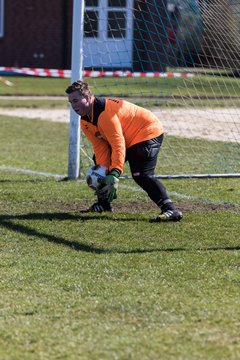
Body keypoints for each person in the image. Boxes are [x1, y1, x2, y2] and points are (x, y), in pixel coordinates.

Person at [66, 80, 182, 222]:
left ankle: (170, 209)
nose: (73, 106)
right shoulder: (85, 121)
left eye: (76, 100)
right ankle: (104, 204)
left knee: (141, 174)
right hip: (127, 137)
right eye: (71, 102)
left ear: (88, 97)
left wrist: (114, 173)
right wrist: (104, 171)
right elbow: (100, 148)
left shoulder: (105, 113)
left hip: (147, 130)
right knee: (100, 163)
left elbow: (117, 143)